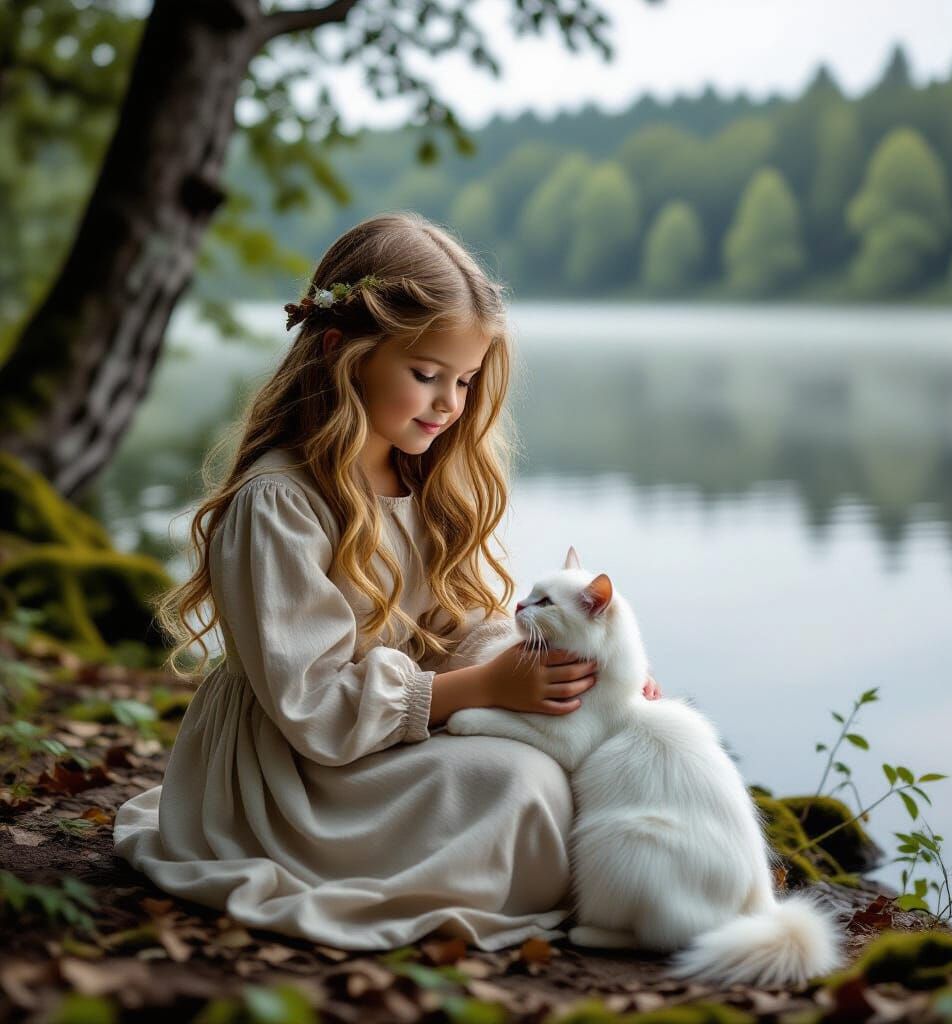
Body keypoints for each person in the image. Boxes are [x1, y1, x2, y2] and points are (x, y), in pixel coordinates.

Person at [112, 211, 662, 953]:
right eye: (426, 375)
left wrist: (565, 671)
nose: (449, 405)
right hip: (295, 775)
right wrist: (481, 690)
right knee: (522, 787)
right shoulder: (279, 502)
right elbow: (311, 706)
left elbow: (458, 625)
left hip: (389, 742)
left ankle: (615, 878)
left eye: (465, 380)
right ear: (343, 352)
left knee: (570, 769)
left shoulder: (419, 476)